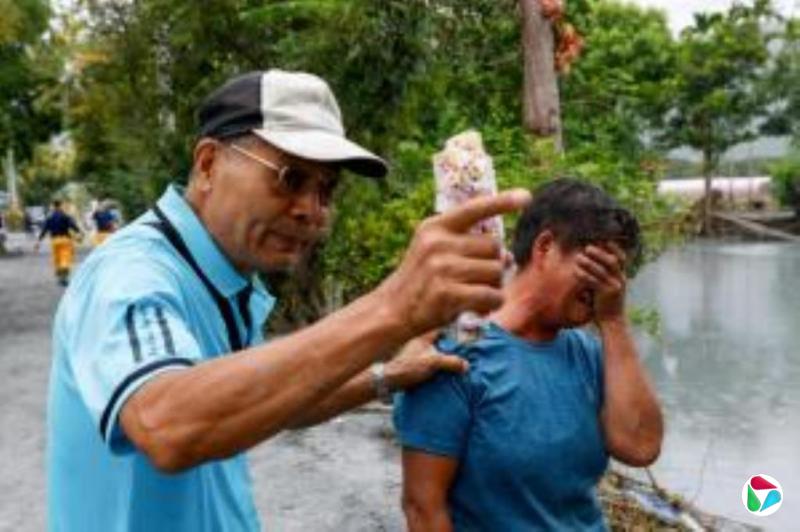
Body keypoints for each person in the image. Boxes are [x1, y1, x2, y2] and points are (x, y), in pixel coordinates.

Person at [47, 69, 531, 532]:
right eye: (289, 178)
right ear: (209, 164)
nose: (310, 211)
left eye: (325, 189)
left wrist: (388, 376)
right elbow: (165, 424)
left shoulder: (224, 275)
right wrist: (393, 308)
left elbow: (268, 401)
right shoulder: (131, 273)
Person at [394, 178, 664, 531]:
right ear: (546, 247)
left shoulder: (589, 354)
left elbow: (640, 447)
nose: (605, 286)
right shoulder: (456, 354)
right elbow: (423, 507)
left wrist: (613, 320)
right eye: (597, 268)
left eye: (615, 274)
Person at [35, 199, 83, 286]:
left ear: (53, 206)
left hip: (54, 241)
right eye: (63, 205)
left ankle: (60, 277)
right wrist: (79, 233)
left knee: (57, 259)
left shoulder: (49, 217)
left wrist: (39, 241)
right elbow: (73, 226)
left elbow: (44, 230)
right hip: (65, 240)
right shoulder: (66, 216)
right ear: (60, 206)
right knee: (65, 258)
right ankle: (64, 278)